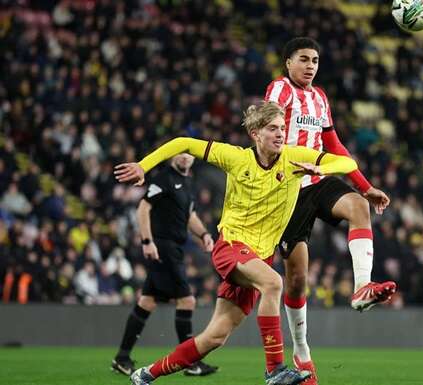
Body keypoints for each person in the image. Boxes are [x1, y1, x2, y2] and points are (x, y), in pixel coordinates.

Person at [115, 101, 358, 385]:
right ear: (255, 134)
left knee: (214, 336)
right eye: (272, 129)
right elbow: (183, 142)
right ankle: (275, 369)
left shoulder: (295, 159)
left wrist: (317, 169)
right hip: (231, 247)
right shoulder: (235, 157)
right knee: (274, 283)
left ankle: (145, 374)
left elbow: (348, 163)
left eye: (282, 128)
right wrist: (143, 166)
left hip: (257, 258)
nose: (280, 134)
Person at [264, 37, 396, 384]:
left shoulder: (320, 97)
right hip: (287, 188)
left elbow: (333, 144)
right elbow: (267, 132)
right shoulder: (279, 90)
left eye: (316, 61)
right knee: (297, 280)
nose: (310, 66)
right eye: (304, 59)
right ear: (287, 62)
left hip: (318, 179)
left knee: (358, 206)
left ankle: (362, 288)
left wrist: (365, 186)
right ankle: (302, 351)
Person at [111, 154, 218, 376]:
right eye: (181, 152)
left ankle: (122, 357)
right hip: (163, 247)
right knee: (187, 301)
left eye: (189, 153)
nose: (185, 157)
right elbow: (143, 208)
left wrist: (204, 234)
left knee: (147, 302)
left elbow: (190, 216)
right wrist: (147, 241)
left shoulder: (188, 181)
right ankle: (191, 362)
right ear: (172, 155)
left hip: (173, 248)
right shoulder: (163, 178)